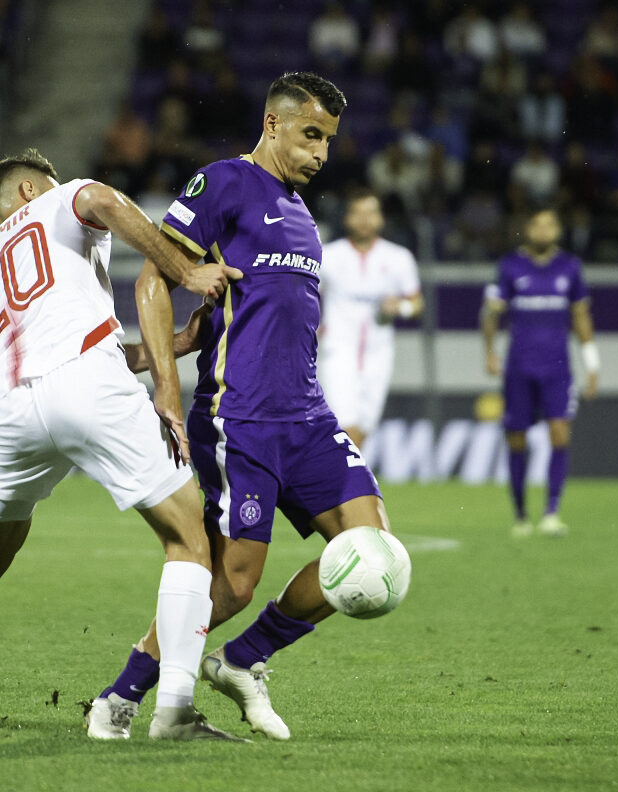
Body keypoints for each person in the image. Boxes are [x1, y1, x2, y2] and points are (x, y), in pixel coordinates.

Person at [88, 71, 406, 742]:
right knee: (233, 582)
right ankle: (120, 697)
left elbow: (263, 314)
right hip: (241, 418)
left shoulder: (302, 215)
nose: (320, 153)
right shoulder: (225, 184)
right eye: (310, 134)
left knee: (374, 549)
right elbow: (154, 279)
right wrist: (166, 385)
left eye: (329, 140)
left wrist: (190, 343)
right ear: (272, 124)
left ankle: (241, 660)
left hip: (309, 417)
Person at [0, 148, 244, 740]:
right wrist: (185, 271)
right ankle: (175, 710)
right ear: (30, 189)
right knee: (189, 537)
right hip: (85, 385)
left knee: (7, 535)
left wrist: (173, 346)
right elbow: (100, 198)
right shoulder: (61, 199)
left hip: (13, 410)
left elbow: (59, 338)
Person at [481, 206, 599, 538]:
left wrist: (592, 364)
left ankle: (551, 512)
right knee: (516, 439)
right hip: (518, 368)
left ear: (558, 230)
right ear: (528, 229)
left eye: (550, 225)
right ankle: (520, 514)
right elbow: (491, 313)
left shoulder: (570, 268)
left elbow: (581, 317)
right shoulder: (510, 267)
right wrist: (489, 351)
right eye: (537, 224)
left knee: (559, 433)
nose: (543, 231)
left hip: (557, 369)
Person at [318, 189, 423, 450]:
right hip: (339, 349)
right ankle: (345, 477)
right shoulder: (328, 255)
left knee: (364, 427)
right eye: (358, 213)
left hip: (379, 352)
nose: (365, 220)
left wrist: (400, 307)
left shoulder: (398, 258)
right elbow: (305, 294)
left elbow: (417, 303)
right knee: (345, 424)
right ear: (347, 219)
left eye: (371, 213)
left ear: (381, 218)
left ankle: (343, 475)